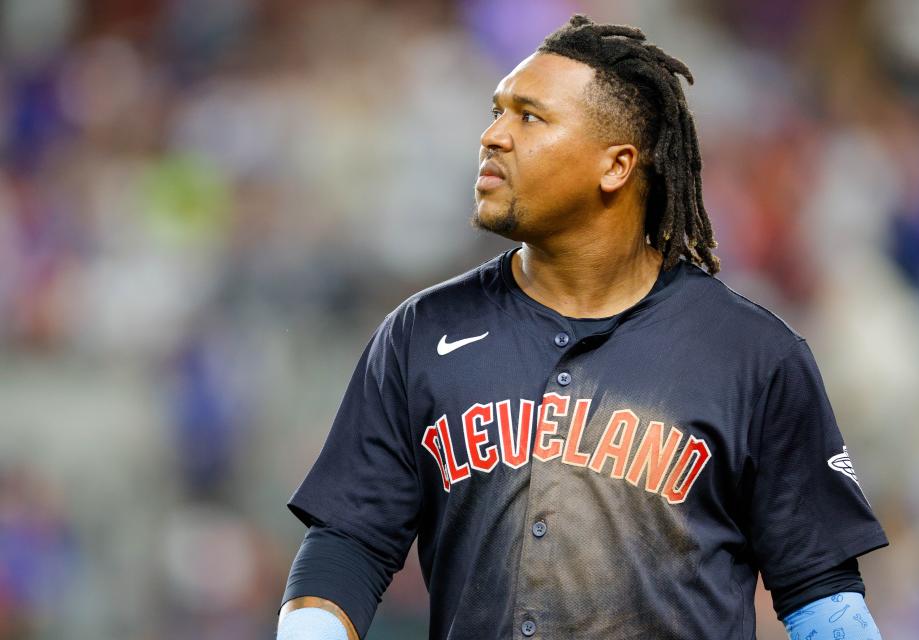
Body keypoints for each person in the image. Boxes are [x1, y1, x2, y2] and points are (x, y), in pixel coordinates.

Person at [277, 14, 887, 640]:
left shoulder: (752, 354)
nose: (492, 137)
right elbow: (348, 543)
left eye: (529, 117)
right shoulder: (420, 333)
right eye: (497, 112)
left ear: (616, 166)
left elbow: (820, 592)